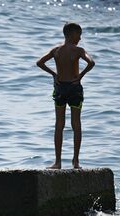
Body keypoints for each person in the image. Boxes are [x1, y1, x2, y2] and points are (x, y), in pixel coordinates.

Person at [36, 22, 95, 169]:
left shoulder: (56, 50)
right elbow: (91, 62)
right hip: (74, 89)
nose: (80, 38)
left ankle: (57, 162)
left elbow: (39, 62)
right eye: (79, 35)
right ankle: (75, 161)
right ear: (73, 34)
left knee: (59, 125)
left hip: (60, 88)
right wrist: (80, 75)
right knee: (76, 124)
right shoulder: (79, 50)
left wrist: (54, 74)